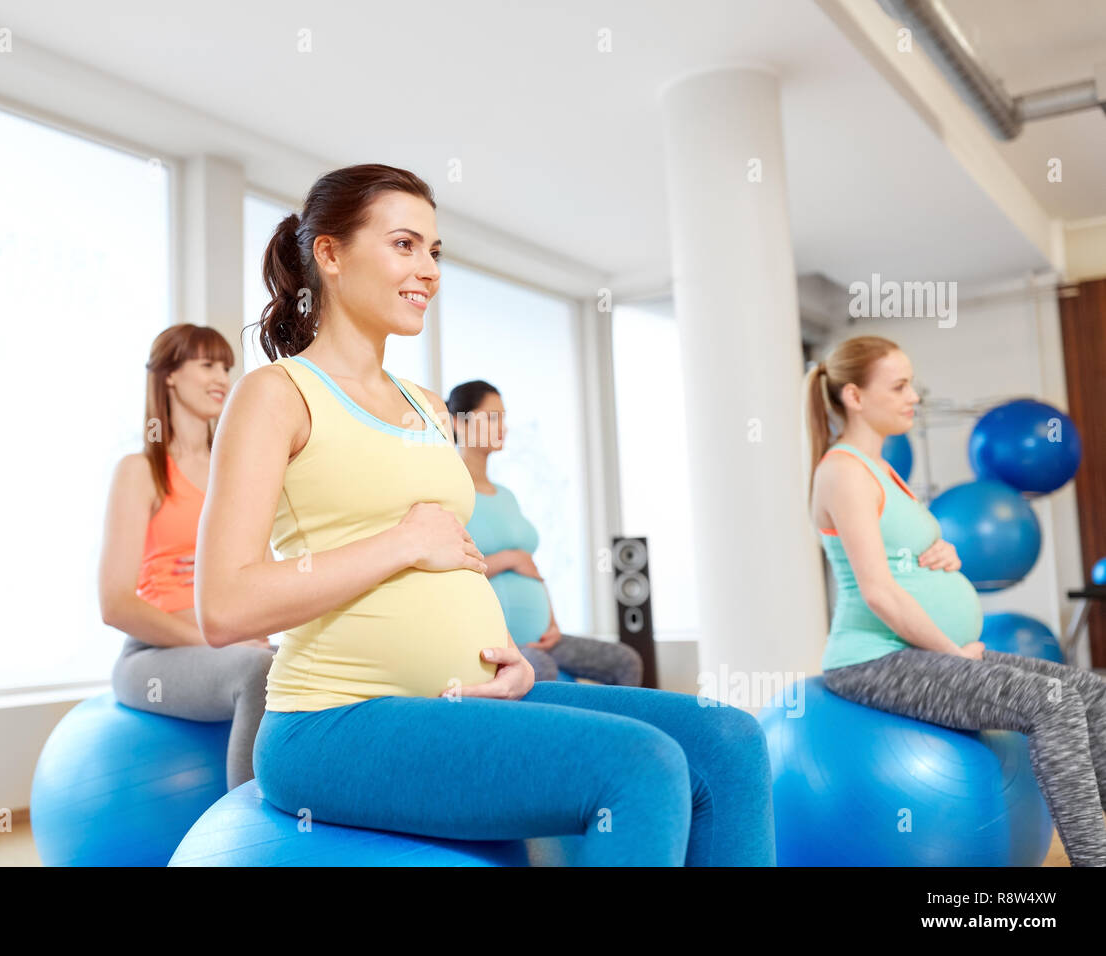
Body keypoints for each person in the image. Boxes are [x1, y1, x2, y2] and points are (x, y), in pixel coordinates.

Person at [195, 163, 774, 866]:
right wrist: (401, 542)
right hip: (333, 720)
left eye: (434, 252)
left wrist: (512, 659)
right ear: (331, 254)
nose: (429, 270)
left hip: (465, 698)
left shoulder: (428, 407)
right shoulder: (276, 395)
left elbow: (456, 556)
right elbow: (223, 605)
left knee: (730, 742)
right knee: (641, 765)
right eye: (405, 245)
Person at [805, 334, 1106, 866]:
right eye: (898, 387)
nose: (912, 397)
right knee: (1050, 704)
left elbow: (898, 553)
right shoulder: (843, 471)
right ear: (853, 396)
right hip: (875, 659)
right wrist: (949, 649)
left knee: (1090, 691)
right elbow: (877, 591)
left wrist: (940, 550)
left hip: (926, 649)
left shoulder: (886, 472)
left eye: (911, 385)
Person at [98, 323, 275, 791]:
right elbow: (114, 604)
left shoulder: (236, 475)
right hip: (154, 655)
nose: (222, 377)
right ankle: (248, 838)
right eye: (206, 364)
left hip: (232, 645)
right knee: (257, 670)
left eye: (226, 366)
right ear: (170, 375)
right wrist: (209, 639)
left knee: (315, 667)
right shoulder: (141, 472)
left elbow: (268, 578)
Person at [446, 379, 642, 685]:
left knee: (625, 661)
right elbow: (449, 568)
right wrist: (509, 558)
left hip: (544, 635)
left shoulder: (507, 495)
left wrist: (552, 623)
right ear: (459, 423)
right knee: (539, 667)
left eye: (504, 418)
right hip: (499, 641)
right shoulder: (450, 492)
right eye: (493, 417)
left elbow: (531, 567)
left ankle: (626, 734)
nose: (504, 427)